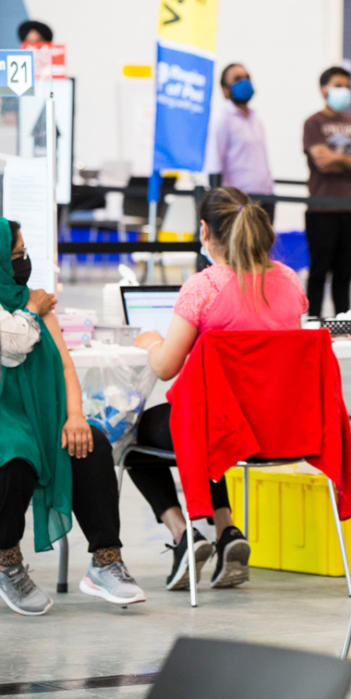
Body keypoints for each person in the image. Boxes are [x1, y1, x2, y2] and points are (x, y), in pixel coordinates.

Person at [129, 187, 308, 591]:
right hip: (281, 430)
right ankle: (228, 531)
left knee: (137, 437)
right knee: (209, 424)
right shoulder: (289, 281)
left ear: (204, 230)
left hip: (224, 427)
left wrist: (151, 341)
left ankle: (183, 535)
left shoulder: (203, 288)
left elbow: (166, 367)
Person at [0, 219, 145, 615]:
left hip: (43, 416)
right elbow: (10, 346)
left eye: (23, 254)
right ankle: (6, 560)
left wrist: (76, 415)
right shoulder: (31, 304)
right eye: (15, 255)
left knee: (91, 444)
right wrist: (30, 309)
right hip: (5, 421)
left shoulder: (37, 299)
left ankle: (106, 561)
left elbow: (65, 366)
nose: (22, 262)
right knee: (15, 457)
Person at [302, 66, 351, 317]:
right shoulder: (314, 123)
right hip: (322, 209)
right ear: (323, 89)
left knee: (344, 275)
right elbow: (321, 161)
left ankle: (344, 324)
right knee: (319, 273)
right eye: (338, 85)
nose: (344, 90)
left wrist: (336, 155)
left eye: (347, 85)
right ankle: (313, 323)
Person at [205, 62, 276, 223]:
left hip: (264, 198)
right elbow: (215, 162)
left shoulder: (255, 118)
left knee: (262, 248)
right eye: (237, 79)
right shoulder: (221, 118)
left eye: (247, 77)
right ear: (225, 90)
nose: (244, 82)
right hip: (237, 202)